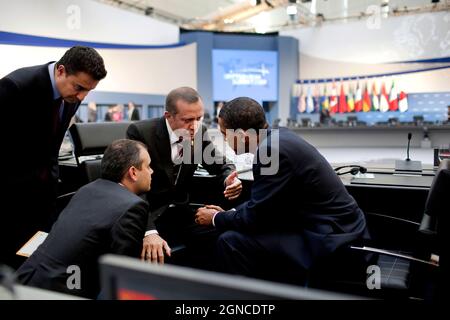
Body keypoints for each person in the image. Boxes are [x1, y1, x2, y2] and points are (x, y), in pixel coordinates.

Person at [195, 97, 369, 284]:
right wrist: (231, 213)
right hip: (334, 226)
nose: (223, 139)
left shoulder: (270, 152)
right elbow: (265, 203)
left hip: (330, 238)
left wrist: (215, 218)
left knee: (230, 242)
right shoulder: (279, 137)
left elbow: (257, 217)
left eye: (224, 134)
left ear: (242, 135)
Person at [0, 46, 107, 269]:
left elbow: (51, 145)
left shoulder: (71, 94)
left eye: (88, 91)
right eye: (79, 88)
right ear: (60, 71)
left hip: (43, 195)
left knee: (32, 263)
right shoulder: (16, 86)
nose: (81, 97)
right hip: (8, 199)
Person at [15, 139, 153, 299]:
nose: (151, 171)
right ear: (133, 172)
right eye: (148, 166)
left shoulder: (86, 189)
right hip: (60, 293)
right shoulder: (133, 206)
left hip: (24, 280)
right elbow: (123, 274)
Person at [126, 87, 242, 265]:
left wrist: (229, 178)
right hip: (149, 212)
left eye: (199, 118)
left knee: (226, 238)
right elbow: (131, 186)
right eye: (188, 120)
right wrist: (148, 231)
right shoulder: (141, 132)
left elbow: (221, 164)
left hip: (181, 211)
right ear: (168, 116)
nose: (194, 126)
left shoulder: (199, 131)